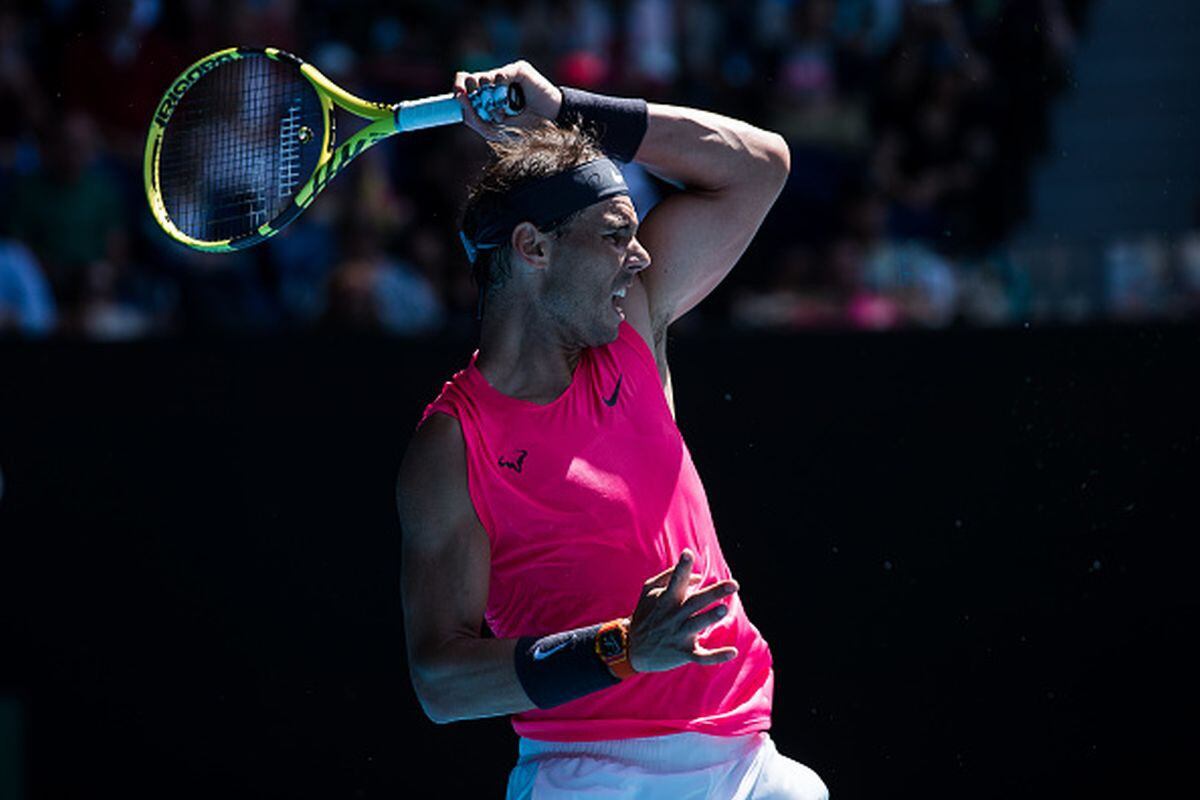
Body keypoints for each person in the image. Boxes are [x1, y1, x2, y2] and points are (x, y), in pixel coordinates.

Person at [396, 59, 828, 799]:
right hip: (594, 776)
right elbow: (442, 681)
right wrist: (623, 650)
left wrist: (570, 111)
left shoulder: (631, 327)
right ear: (534, 249)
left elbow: (761, 166)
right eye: (614, 233)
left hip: (751, 763)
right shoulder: (454, 445)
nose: (642, 254)